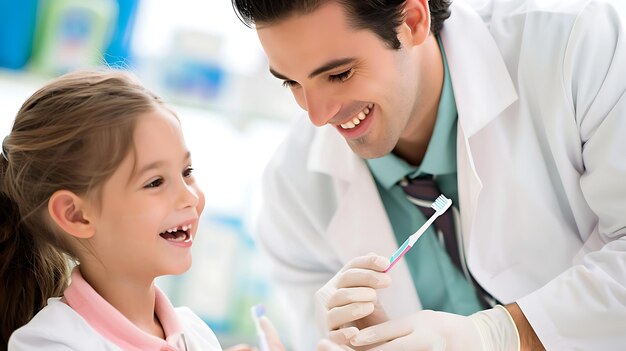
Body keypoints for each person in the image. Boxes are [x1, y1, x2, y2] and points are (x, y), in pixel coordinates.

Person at [231, 0, 626, 349]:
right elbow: (316, 337)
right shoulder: (293, 189)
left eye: (340, 75)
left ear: (413, 20)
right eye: (292, 83)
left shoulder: (578, 47)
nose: (317, 115)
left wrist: (501, 335)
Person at [0, 70, 261, 350]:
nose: (189, 196)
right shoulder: (48, 343)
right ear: (76, 215)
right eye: (155, 182)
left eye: (187, 171)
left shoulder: (197, 334)